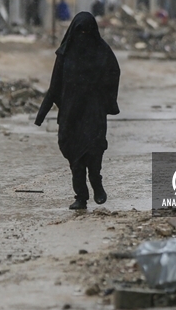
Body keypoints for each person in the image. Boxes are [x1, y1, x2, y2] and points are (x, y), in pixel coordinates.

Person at [35, 12, 120, 210]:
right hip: (71, 113)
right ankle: (81, 197)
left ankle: (97, 184)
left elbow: (114, 73)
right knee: (75, 157)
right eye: (79, 31)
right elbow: (54, 85)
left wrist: (105, 97)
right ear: (73, 32)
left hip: (94, 112)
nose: (83, 35)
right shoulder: (65, 54)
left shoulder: (102, 51)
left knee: (93, 152)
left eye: (86, 31)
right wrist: (42, 114)